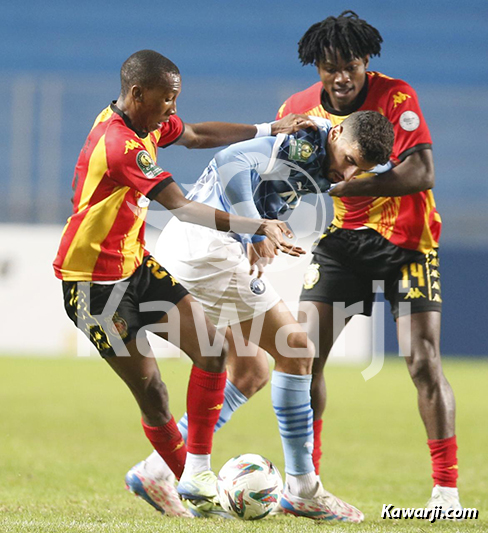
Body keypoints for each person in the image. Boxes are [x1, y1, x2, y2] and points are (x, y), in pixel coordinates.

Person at [53, 49, 315, 518]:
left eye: (175, 98)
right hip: (92, 287)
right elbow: (181, 205)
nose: (173, 109)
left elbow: (195, 136)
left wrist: (267, 129)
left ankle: (196, 474)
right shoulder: (120, 145)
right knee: (153, 394)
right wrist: (255, 226)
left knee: (213, 350)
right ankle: (184, 486)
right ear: (138, 94)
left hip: (134, 266)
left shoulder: (145, 124)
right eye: (167, 99)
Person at [126, 110, 394, 522]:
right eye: (350, 159)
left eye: (361, 169)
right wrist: (254, 229)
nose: (349, 173)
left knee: (250, 370)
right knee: (297, 350)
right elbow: (232, 161)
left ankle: (157, 470)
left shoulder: (329, 154)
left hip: (197, 244)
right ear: (337, 132)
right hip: (208, 250)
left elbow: (268, 182)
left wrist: (254, 232)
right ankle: (303, 489)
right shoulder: (305, 142)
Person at [274, 11, 462, 515]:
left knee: (421, 361)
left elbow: (421, 172)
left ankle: (445, 491)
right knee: (303, 356)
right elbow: (278, 175)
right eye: (330, 66)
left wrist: (339, 185)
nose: (341, 77)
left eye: (351, 65)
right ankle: (304, 487)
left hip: (406, 241)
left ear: (366, 62)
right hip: (339, 245)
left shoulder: (396, 96)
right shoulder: (296, 109)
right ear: (316, 66)